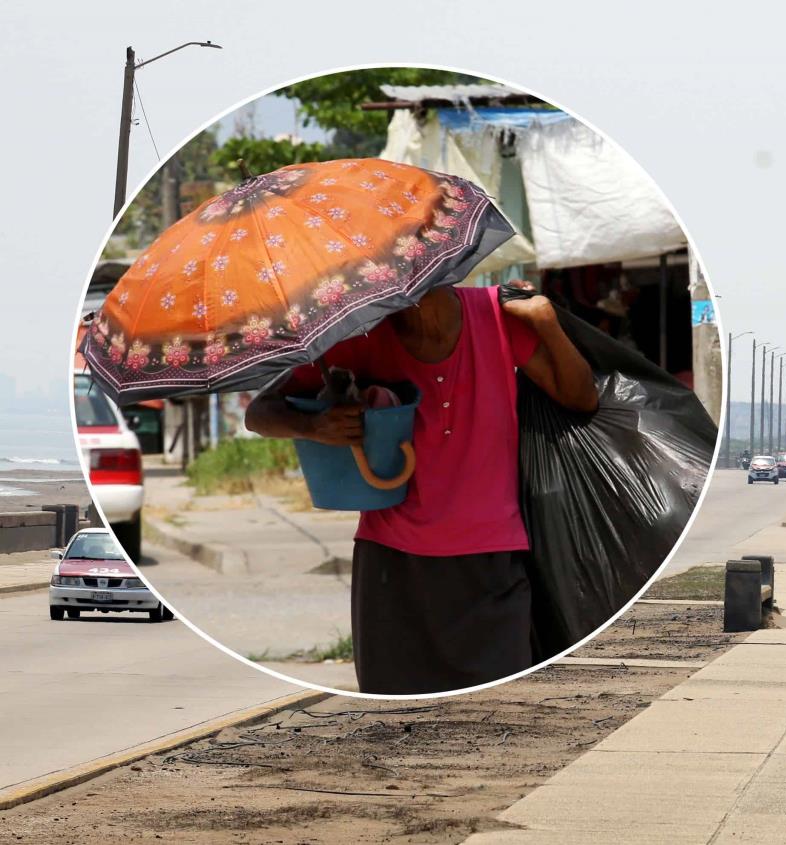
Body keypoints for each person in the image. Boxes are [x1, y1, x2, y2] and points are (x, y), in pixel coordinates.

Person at [245, 282, 597, 695]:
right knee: (398, 716)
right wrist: (313, 426)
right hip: (392, 563)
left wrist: (547, 324)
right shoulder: (362, 334)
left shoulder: (498, 316)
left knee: (501, 709)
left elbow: (581, 398)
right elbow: (260, 412)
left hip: (491, 558)